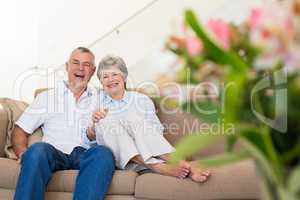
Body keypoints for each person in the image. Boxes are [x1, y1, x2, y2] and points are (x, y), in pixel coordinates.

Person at [86, 55, 211, 182]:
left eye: (114, 74)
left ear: (123, 76)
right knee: (104, 120)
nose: (110, 79)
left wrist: (132, 136)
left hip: (151, 153)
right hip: (124, 160)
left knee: (133, 119)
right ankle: (160, 167)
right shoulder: (97, 104)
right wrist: (94, 126)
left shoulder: (141, 100)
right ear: (101, 82)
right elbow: (92, 139)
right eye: (105, 77)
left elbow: (155, 131)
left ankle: (178, 163)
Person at [12, 47, 115, 200]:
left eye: (86, 65)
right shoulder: (46, 97)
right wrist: (23, 154)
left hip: (86, 154)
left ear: (93, 71)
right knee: (37, 150)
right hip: (53, 153)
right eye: (76, 63)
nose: (80, 68)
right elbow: (20, 130)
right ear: (67, 67)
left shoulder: (103, 98)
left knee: (104, 153)